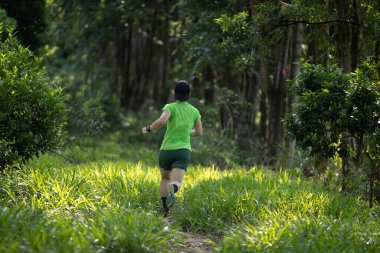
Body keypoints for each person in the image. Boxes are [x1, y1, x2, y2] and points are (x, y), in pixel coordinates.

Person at [142, 80, 203, 216]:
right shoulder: (194, 111)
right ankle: (174, 188)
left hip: (166, 150)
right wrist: (189, 132)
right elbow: (199, 132)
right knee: (176, 181)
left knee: (164, 179)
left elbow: (162, 121)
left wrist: (148, 128)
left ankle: (166, 211)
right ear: (189, 94)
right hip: (182, 151)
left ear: (175, 93)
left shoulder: (170, 107)